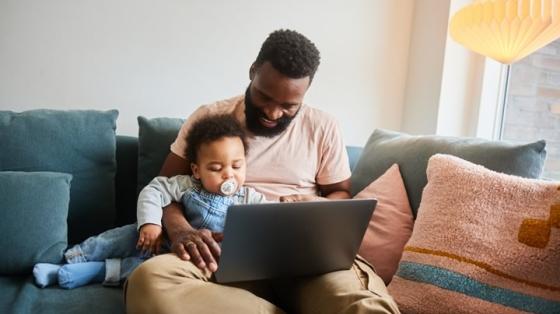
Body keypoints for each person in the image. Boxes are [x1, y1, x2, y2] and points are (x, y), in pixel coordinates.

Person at [125, 29, 400, 314]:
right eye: (265, 97)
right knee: (148, 281)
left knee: (363, 305)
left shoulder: (323, 126)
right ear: (253, 71)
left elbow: (341, 192)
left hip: (306, 260)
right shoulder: (209, 118)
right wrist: (181, 229)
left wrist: (315, 205)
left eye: (289, 105)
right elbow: (165, 186)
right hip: (216, 257)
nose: (273, 113)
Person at [33, 114, 266, 289]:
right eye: (216, 168)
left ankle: (95, 272)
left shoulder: (248, 197)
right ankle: (68, 260)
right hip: (161, 236)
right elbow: (153, 191)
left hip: (186, 258)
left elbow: (271, 219)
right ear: (196, 170)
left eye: (237, 166)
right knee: (119, 238)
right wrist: (150, 224)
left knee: (141, 269)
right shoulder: (185, 185)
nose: (229, 174)